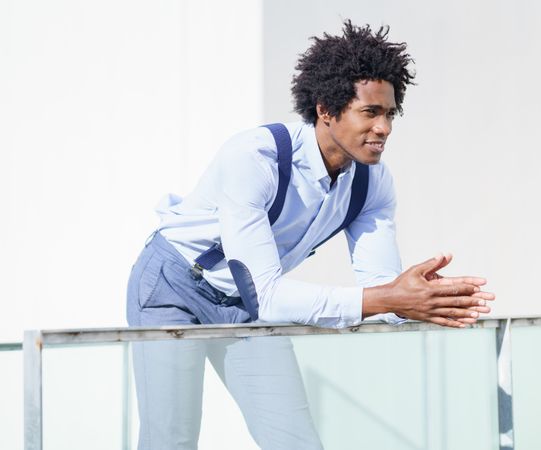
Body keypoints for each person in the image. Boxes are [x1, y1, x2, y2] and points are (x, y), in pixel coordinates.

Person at [127, 20, 494, 450]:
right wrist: (389, 299)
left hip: (247, 307)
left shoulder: (371, 183)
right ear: (326, 110)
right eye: (370, 112)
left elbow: (382, 289)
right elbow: (271, 295)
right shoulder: (255, 157)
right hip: (175, 286)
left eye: (390, 113)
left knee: (296, 442)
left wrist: (421, 301)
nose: (385, 128)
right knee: (171, 440)